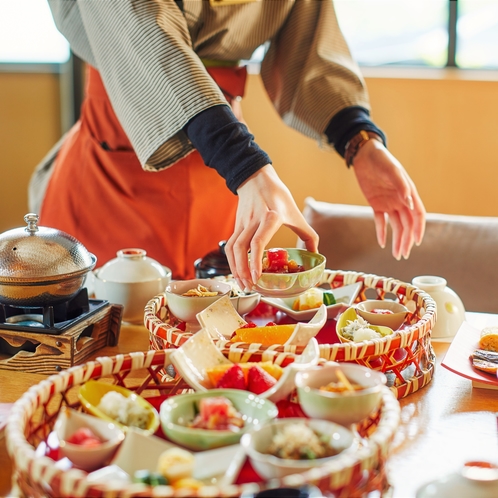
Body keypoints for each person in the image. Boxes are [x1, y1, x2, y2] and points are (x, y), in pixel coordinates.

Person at [31, 0, 425, 292]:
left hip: (225, 176)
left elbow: (310, 42)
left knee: (219, 333)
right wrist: (246, 165)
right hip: (118, 165)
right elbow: (145, 35)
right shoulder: (243, 164)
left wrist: (359, 142)